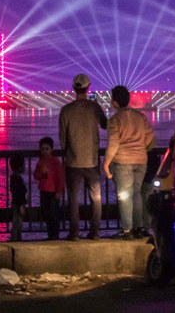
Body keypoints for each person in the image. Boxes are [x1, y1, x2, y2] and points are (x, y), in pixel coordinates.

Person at [59, 73, 107, 241]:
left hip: (73, 162)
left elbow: (62, 140)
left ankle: (74, 233)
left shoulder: (66, 110)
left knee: (73, 200)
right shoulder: (94, 108)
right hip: (92, 160)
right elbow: (105, 124)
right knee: (96, 198)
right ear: (89, 88)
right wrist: (97, 104)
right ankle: (95, 232)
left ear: (73, 88)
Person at [103, 85, 155, 240]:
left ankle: (127, 230)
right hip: (141, 160)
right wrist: (140, 147)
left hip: (123, 161)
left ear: (115, 102)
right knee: (137, 194)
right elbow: (150, 135)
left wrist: (106, 163)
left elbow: (113, 143)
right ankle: (138, 228)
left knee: (125, 195)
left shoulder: (114, 120)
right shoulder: (140, 116)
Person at [33, 137, 65, 240]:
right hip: (43, 190)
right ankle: (50, 235)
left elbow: (60, 178)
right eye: (42, 149)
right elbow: (36, 176)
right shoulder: (41, 162)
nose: (44, 151)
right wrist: (40, 172)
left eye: (47, 149)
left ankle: (55, 236)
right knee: (46, 213)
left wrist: (59, 191)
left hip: (53, 192)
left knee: (53, 214)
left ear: (51, 149)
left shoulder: (55, 162)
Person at [9, 155, 27, 242]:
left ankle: (16, 239)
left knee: (17, 223)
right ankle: (16, 239)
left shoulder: (13, 178)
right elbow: (18, 193)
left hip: (16, 203)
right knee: (17, 223)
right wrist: (21, 205)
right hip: (18, 204)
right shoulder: (17, 179)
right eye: (24, 164)